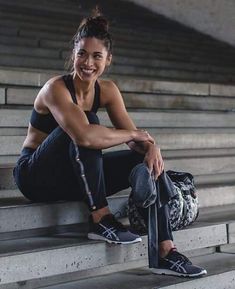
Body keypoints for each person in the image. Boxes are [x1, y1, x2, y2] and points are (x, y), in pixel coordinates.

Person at [13, 9, 207, 278]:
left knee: (143, 159)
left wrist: (151, 147)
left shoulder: (108, 90)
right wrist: (135, 135)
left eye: (96, 56)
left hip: (76, 176)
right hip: (35, 176)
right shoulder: (55, 89)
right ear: (73, 54)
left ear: (108, 59)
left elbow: (135, 137)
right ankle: (101, 218)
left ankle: (165, 251)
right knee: (87, 122)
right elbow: (86, 136)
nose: (87, 62)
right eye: (82, 53)